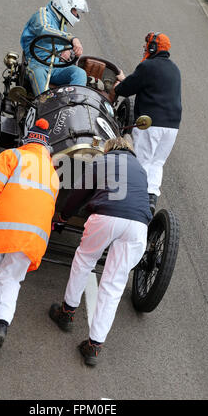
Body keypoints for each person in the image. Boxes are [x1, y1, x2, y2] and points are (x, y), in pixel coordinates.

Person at [50, 136, 152, 366]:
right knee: (114, 284)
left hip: (106, 216)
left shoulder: (103, 161)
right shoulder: (141, 170)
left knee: (84, 260)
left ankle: (67, 313)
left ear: (109, 148)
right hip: (137, 226)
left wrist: (63, 216)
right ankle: (93, 346)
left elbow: (79, 192)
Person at [0, 119, 59, 355]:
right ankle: (1, 325)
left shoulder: (12, 156)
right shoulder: (53, 175)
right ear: (46, 147)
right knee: (11, 279)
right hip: (32, 239)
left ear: (27, 139)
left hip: (0, 228)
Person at [114, 32, 182, 214]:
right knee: (157, 162)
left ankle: (134, 203)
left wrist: (119, 86)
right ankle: (150, 198)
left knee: (142, 161)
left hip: (151, 123)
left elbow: (127, 88)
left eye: (147, 45)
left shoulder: (148, 66)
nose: (145, 48)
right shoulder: (174, 69)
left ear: (153, 48)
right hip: (172, 127)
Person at [20, 0, 89, 96]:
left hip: (56, 67)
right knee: (38, 73)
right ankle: (45, 105)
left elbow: (61, 40)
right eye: (75, 10)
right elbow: (45, 30)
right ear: (66, 5)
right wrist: (72, 39)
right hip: (37, 64)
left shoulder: (61, 22)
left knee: (79, 73)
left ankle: (73, 105)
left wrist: (69, 51)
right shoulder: (42, 15)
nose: (76, 14)